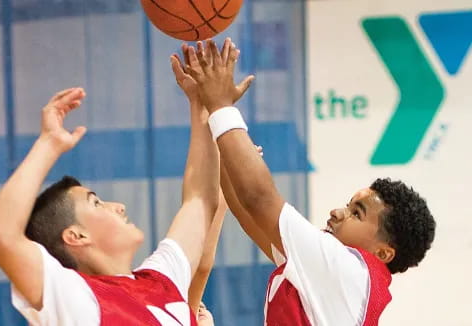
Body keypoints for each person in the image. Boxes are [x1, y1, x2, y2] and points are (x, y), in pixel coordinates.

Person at [0, 45, 249, 324]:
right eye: (96, 202)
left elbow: (200, 199)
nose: (118, 207)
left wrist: (202, 105)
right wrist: (48, 144)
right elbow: (1, 235)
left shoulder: (161, 279)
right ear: (77, 236)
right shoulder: (77, 300)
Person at [184, 38, 436, 325]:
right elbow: (248, 210)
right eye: (348, 205)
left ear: (382, 252)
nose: (338, 213)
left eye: (357, 213)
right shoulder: (324, 275)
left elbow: (259, 199)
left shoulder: (348, 271)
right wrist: (213, 121)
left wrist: (220, 105)